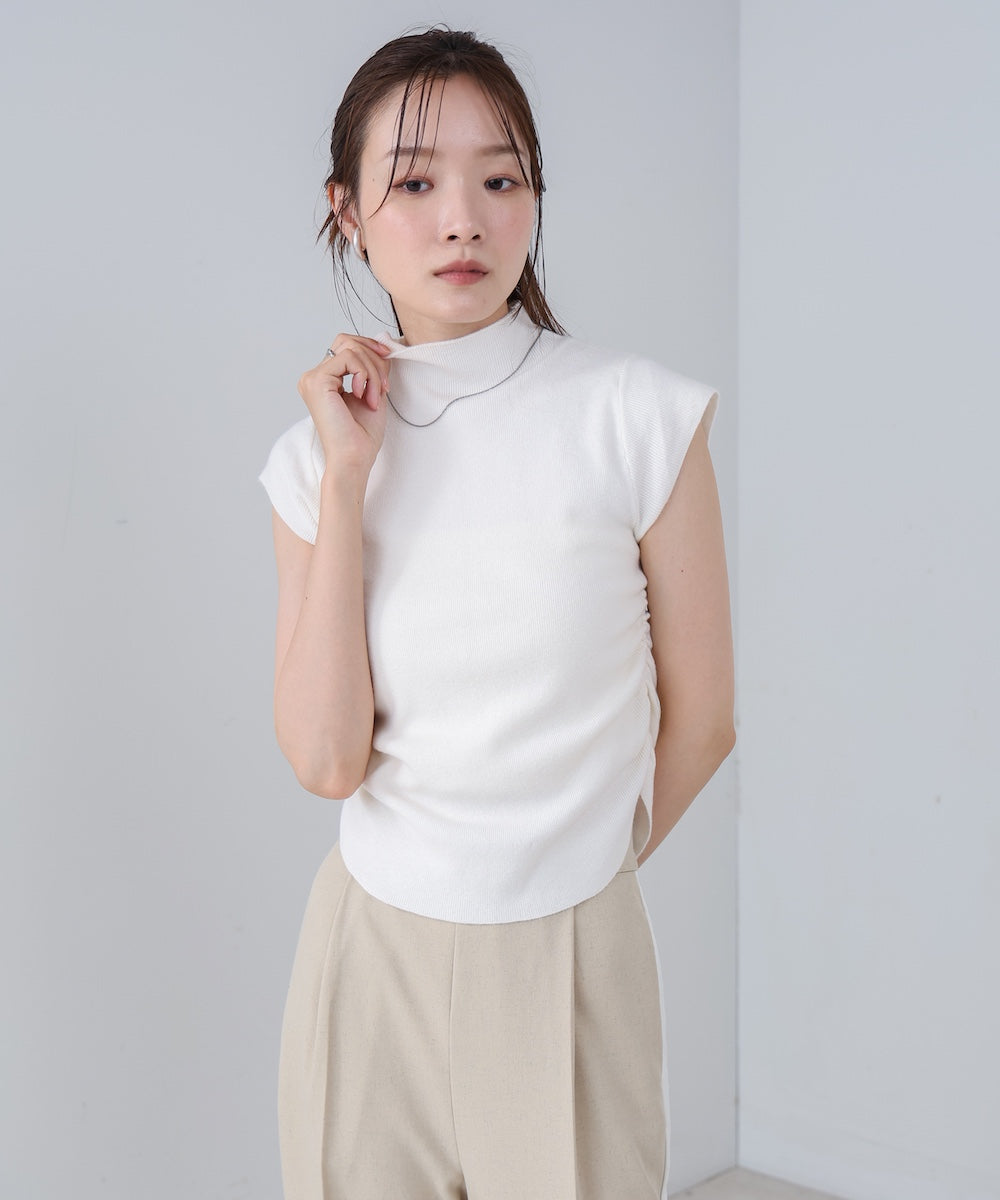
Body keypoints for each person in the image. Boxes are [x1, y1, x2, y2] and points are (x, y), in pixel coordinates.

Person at [259, 26, 734, 1200]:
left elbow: (704, 718)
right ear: (346, 211)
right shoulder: (313, 460)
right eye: (415, 183)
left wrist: (571, 869)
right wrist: (346, 478)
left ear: (533, 198)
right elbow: (326, 760)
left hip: (570, 951)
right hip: (368, 959)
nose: (462, 221)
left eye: (499, 179)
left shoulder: (636, 418)